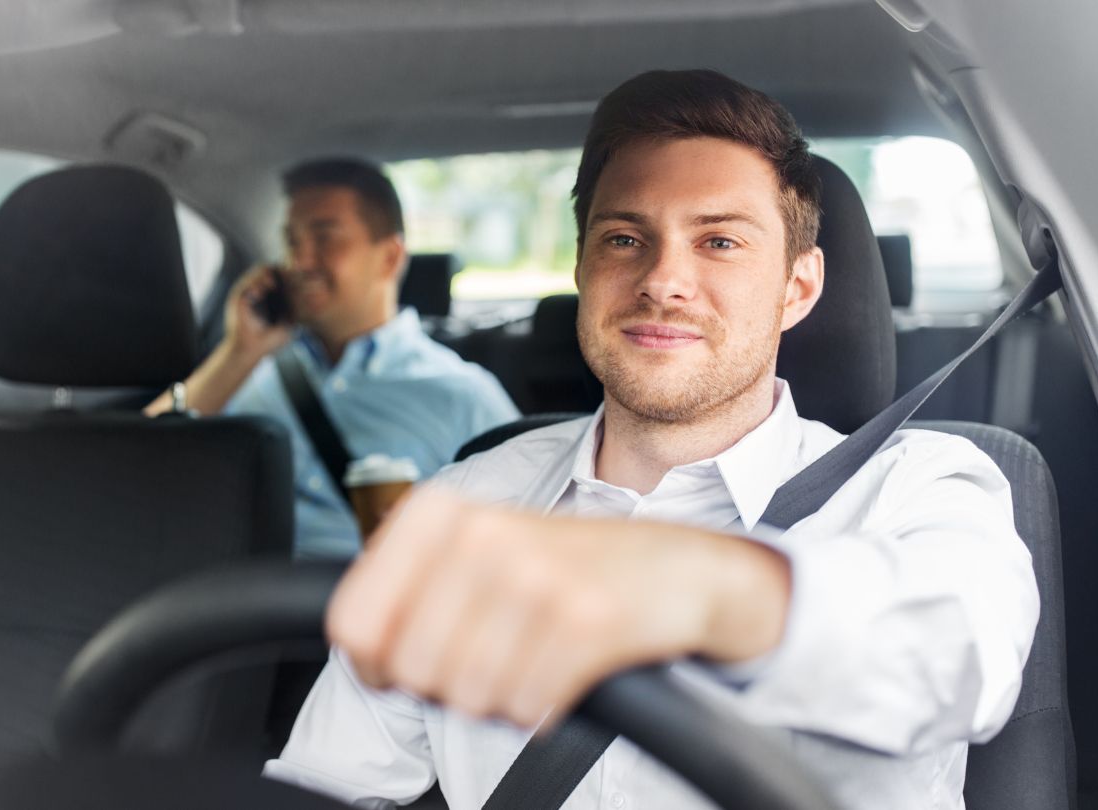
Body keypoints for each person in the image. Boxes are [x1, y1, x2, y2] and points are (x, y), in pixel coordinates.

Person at [264, 70, 1038, 809]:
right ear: (581, 266)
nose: (664, 279)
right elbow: (324, 786)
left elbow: (960, 656)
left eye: (720, 242)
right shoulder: (467, 501)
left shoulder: (923, 487)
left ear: (798, 287)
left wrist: (694, 590)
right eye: (626, 239)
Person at [145, 159, 518, 560]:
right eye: (291, 242)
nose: (299, 262)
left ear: (390, 257)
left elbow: (523, 544)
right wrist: (238, 352)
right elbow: (132, 464)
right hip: (231, 603)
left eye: (324, 238)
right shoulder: (249, 371)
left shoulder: (464, 395)